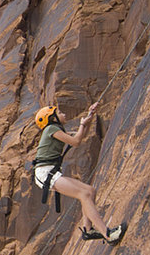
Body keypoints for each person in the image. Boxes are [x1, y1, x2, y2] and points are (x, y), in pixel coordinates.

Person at [33, 103, 126, 245]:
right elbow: (76, 142)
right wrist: (83, 125)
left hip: (47, 172)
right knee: (83, 194)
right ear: (52, 118)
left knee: (89, 190)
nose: (63, 114)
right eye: (59, 112)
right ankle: (108, 234)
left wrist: (89, 116)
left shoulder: (56, 130)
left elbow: (79, 137)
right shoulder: (51, 129)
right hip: (45, 173)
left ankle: (88, 231)